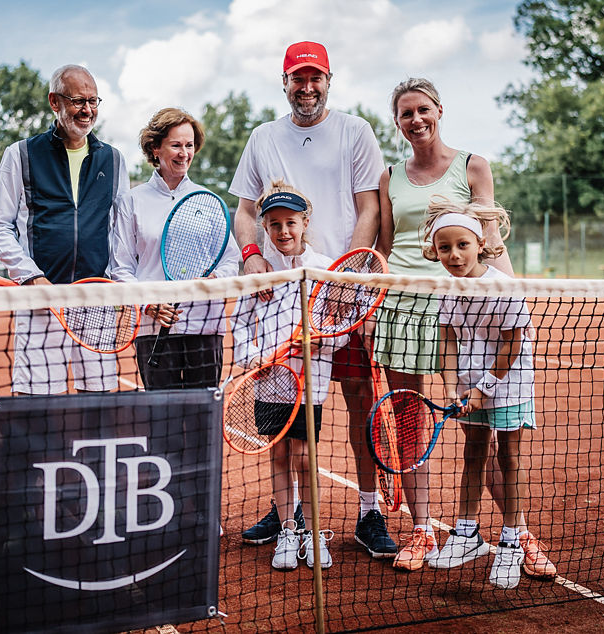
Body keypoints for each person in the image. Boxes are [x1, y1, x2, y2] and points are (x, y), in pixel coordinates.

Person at [378, 78, 555, 580]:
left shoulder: (473, 165)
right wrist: (374, 299)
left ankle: (517, 535)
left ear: (439, 110)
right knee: (413, 422)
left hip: (470, 304)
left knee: (489, 436)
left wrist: (511, 298)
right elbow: (387, 245)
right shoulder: (390, 176)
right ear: (398, 122)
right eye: (406, 113)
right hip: (405, 307)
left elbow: (490, 238)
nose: (416, 119)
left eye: (424, 109)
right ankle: (424, 530)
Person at [230, 41, 396, 558]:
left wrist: (347, 277)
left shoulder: (356, 131)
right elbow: (244, 211)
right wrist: (252, 255)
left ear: (328, 80)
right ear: (284, 83)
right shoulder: (262, 137)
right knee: (288, 415)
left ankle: (368, 511)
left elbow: (369, 209)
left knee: (359, 400)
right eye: (297, 78)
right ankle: (290, 513)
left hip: (344, 295)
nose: (307, 87)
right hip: (281, 298)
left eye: (315, 77)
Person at [0, 64, 129, 394]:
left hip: (96, 300)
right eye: (78, 100)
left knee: (98, 401)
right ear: (54, 102)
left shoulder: (114, 159)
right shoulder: (20, 154)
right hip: (41, 301)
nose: (87, 110)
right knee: (35, 403)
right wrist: (31, 277)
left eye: (93, 101)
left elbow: (121, 231)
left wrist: (118, 283)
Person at [419, 198, 536, 589]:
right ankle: (466, 534)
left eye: (462, 245)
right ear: (435, 251)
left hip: (509, 383)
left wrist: (485, 388)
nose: (454, 255)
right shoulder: (447, 289)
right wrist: (452, 387)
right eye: (445, 248)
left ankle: (512, 542)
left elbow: (513, 344)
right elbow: (448, 341)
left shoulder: (503, 287)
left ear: (480, 244)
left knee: (509, 458)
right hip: (470, 384)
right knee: (473, 453)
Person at [231, 181, 345, 570]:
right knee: (280, 454)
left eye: (291, 222)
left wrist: (323, 341)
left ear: (305, 223)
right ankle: (288, 531)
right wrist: (253, 359)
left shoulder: (325, 269)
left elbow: (342, 324)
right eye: (275, 224)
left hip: (310, 382)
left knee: (305, 457)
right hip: (270, 383)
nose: (283, 231)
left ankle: (313, 533)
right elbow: (240, 323)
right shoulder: (258, 272)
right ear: (264, 227)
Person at [111, 107, 239, 389]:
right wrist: (148, 304)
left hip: (205, 325)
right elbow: (120, 267)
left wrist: (215, 280)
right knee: (161, 413)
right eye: (176, 145)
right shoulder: (131, 201)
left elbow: (230, 259)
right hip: (152, 330)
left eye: (189, 145)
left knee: (203, 412)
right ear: (155, 148)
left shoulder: (208, 200)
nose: (184, 153)